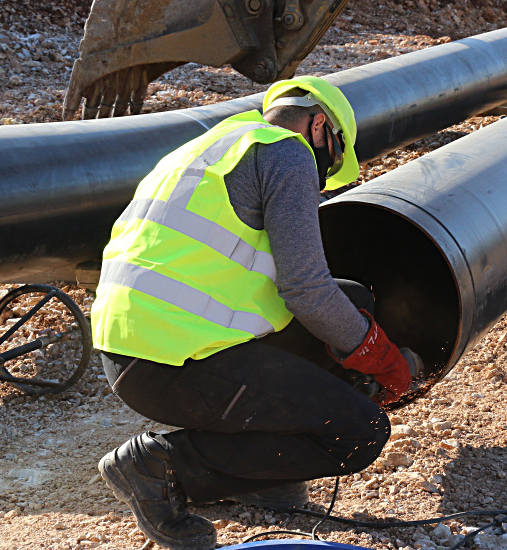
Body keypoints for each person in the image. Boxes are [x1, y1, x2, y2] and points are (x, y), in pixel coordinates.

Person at [90, 76, 412, 550]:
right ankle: (159, 466)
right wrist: (376, 353)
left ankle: (266, 476)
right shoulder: (287, 152)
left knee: (354, 301)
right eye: (332, 159)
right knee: (359, 432)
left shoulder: (219, 143)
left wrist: (354, 323)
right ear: (319, 125)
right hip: (170, 361)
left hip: (139, 344)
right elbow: (306, 290)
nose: (323, 176)